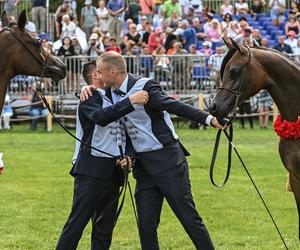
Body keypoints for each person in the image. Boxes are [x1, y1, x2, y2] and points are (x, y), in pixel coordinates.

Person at [80, 51, 224, 250]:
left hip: (168, 163)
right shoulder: (110, 93)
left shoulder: (145, 86)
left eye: (100, 72)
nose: (97, 75)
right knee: (146, 225)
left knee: (188, 217)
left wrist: (208, 119)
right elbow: (125, 129)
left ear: (113, 72)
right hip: (144, 169)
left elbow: (173, 105)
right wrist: (83, 89)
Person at [56, 60, 149, 250]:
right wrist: (131, 101)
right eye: (103, 72)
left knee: (105, 228)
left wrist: (129, 156)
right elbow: (101, 118)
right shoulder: (89, 97)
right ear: (96, 76)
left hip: (113, 172)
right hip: (91, 171)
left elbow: (128, 133)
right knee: (77, 223)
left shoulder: (115, 99)